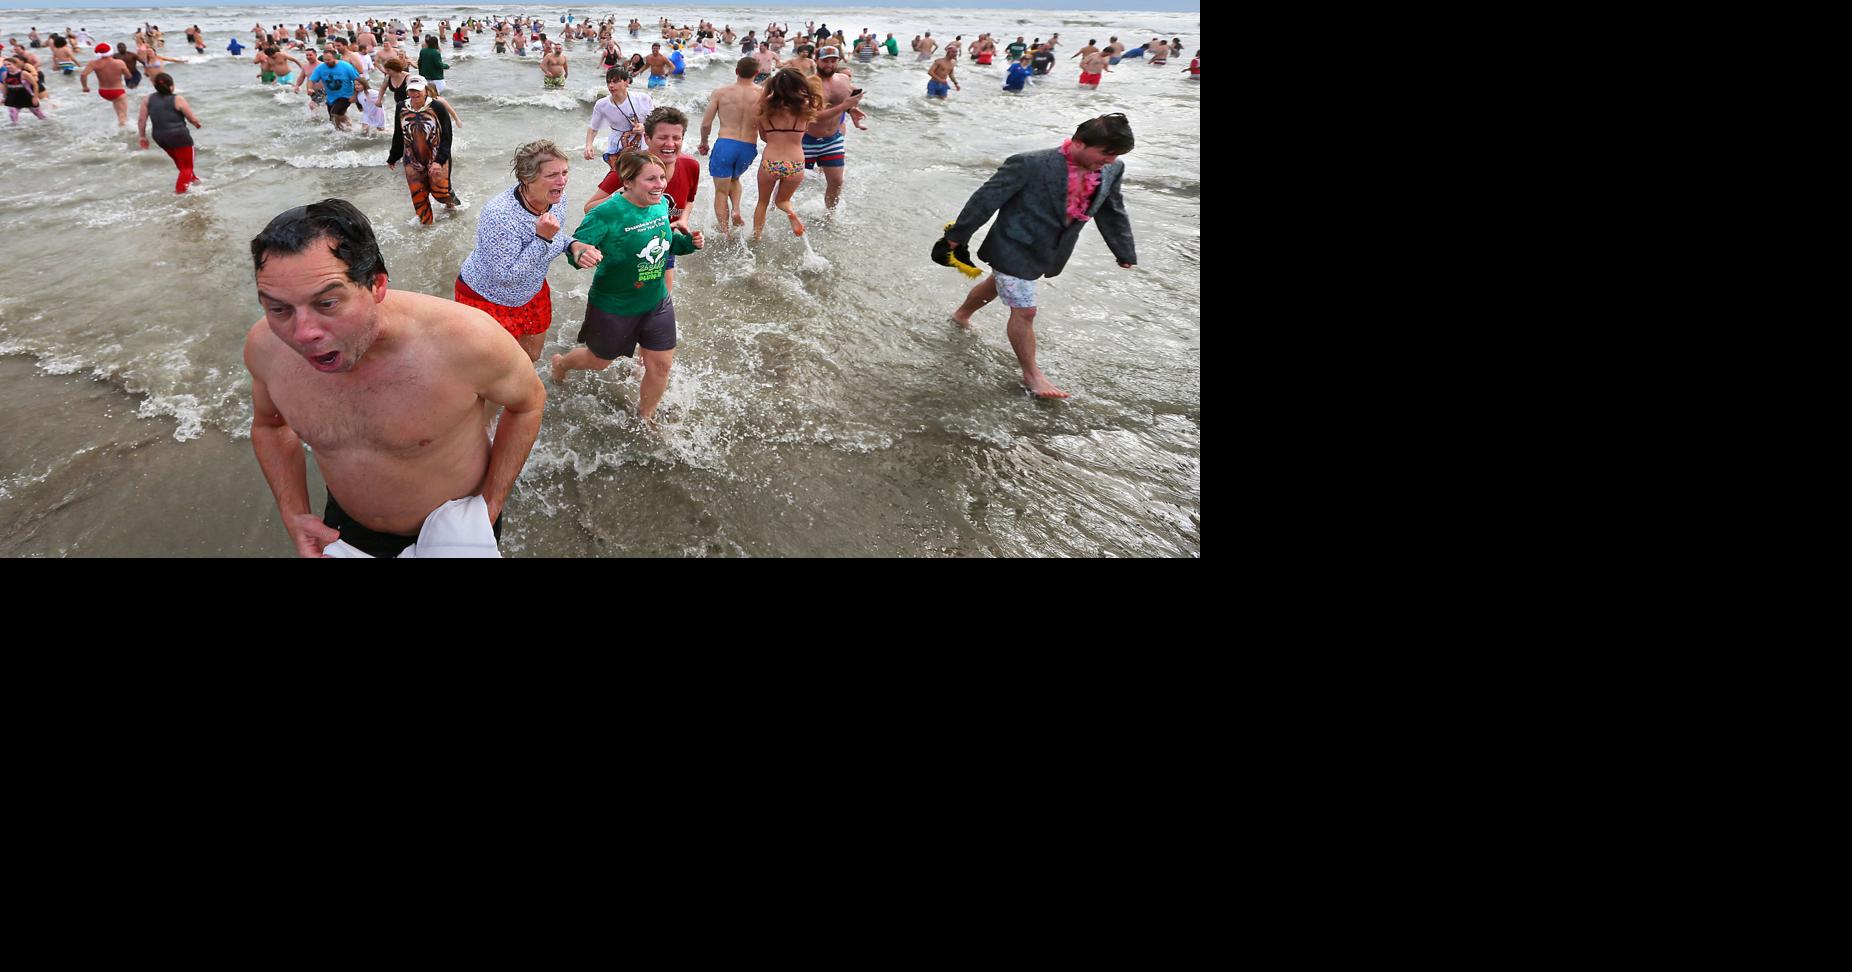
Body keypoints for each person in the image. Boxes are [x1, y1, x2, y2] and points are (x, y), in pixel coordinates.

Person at [244, 199, 546, 558]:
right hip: (345, 530)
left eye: (327, 304)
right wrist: (293, 513)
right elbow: (269, 426)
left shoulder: (465, 341)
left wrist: (491, 504)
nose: (302, 333)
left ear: (376, 285)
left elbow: (528, 403)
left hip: (458, 525)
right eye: (278, 309)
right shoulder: (266, 349)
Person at [943, 114, 1137, 399]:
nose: (1110, 160)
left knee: (997, 283)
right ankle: (1032, 375)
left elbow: (1112, 209)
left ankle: (961, 315)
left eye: (1116, 155)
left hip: (1051, 250)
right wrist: (956, 237)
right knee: (1025, 309)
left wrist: (1123, 250)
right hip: (1013, 244)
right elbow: (985, 199)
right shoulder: (1029, 164)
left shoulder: (1112, 169)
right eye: (1106, 153)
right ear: (1079, 143)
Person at [549, 150, 704, 428]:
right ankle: (561, 364)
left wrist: (688, 244)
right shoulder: (605, 214)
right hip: (614, 305)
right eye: (650, 179)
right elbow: (576, 247)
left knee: (661, 365)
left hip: (656, 300)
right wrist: (581, 254)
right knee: (598, 361)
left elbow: (663, 243)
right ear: (628, 182)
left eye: (661, 178)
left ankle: (645, 417)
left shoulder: (659, 205)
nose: (660, 185)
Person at [456, 140, 603, 361]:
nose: (562, 181)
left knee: (531, 357)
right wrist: (542, 238)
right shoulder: (499, 215)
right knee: (496, 376)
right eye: (552, 175)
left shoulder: (556, 199)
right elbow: (504, 277)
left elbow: (554, 235)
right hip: (488, 298)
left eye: (565, 172)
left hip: (531, 292)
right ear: (527, 178)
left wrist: (572, 245)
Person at [588, 107, 698, 292]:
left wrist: (683, 219)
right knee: (623, 301)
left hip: (662, 242)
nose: (670, 144)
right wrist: (625, 194)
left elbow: (689, 199)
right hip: (624, 247)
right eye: (662, 137)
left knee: (662, 301)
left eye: (676, 138)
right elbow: (590, 208)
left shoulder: (691, 166)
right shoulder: (629, 169)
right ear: (647, 138)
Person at [752, 68, 824, 240]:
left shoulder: (764, 108)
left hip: (771, 162)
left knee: (763, 202)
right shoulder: (805, 109)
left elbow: (764, 138)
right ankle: (790, 212)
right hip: (796, 164)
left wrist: (767, 91)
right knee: (781, 201)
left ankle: (756, 237)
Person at [698, 57, 762, 237]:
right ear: (756, 73)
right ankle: (735, 209)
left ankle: (725, 233)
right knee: (735, 179)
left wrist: (704, 142)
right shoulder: (763, 94)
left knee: (720, 190)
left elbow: (706, 124)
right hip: (749, 147)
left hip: (726, 143)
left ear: (736, 71)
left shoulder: (720, 92)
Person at [386, 75, 460, 224]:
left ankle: (450, 203)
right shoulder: (401, 107)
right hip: (411, 158)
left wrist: (439, 161)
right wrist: (393, 156)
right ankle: (427, 227)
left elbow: (447, 135)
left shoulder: (437, 107)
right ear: (407, 91)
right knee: (418, 194)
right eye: (411, 90)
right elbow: (399, 133)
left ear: (426, 90)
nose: (415, 94)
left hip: (437, 156)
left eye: (418, 90)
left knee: (440, 193)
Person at [804, 48, 866, 212]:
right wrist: (846, 106)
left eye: (833, 60)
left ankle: (829, 215)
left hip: (832, 139)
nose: (829, 64)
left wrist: (852, 110)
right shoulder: (809, 84)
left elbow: (849, 97)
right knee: (787, 178)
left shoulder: (844, 79)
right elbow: (814, 116)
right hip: (806, 139)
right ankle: (774, 206)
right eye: (825, 60)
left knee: (837, 181)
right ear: (816, 60)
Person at [137, 72, 202, 192]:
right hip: (179, 136)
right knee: (187, 167)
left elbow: (142, 119)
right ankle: (180, 194)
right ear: (171, 86)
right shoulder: (178, 98)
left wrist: (142, 136)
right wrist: (196, 123)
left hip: (160, 137)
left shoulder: (148, 99)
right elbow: (191, 118)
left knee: (180, 161)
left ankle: (194, 180)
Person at [583, 67, 652, 161]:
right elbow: (593, 128)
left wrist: (644, 126)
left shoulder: (643, 99)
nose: (611, 86)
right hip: (617, 146)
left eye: (615, 81)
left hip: (643, 144)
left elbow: (656, 122)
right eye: (608, 82)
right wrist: (588, 145)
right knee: (618, 174)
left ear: (626, 81)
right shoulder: (602, 105)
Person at [78, 44, 132, 127]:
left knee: (116, 105)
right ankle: (123, 132)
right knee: (123, 115)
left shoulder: (93, 63)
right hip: (117, 91)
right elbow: (128, 76)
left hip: (103, 92)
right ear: (111, 51)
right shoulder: (119, 62)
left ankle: (120, 125)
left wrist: (85, 87)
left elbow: (83, 75)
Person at [307, 48, 360, 130]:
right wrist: (309, 88)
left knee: (335, 113)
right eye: (325, 60)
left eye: (328, 60)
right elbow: (311, 80)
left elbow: (358, 80)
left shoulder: (346, 66)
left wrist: (355, 96)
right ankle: (343, 130)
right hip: (331, 98)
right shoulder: (321, 68)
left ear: (335, 58)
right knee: (333, 120)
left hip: (346, 96)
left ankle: (350, 127)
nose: (326, 62)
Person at [3, 55, 46, 125]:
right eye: (5, 65)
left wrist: (35, 97)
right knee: (14, 121)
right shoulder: (4, 74)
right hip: (13, 98)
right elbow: (5, 86)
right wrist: (5, 97)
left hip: (27, 97)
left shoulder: (24, 73)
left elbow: (35, 85)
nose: (7, 66)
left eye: (9, 64)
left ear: (15, 64)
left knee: (41, 117)